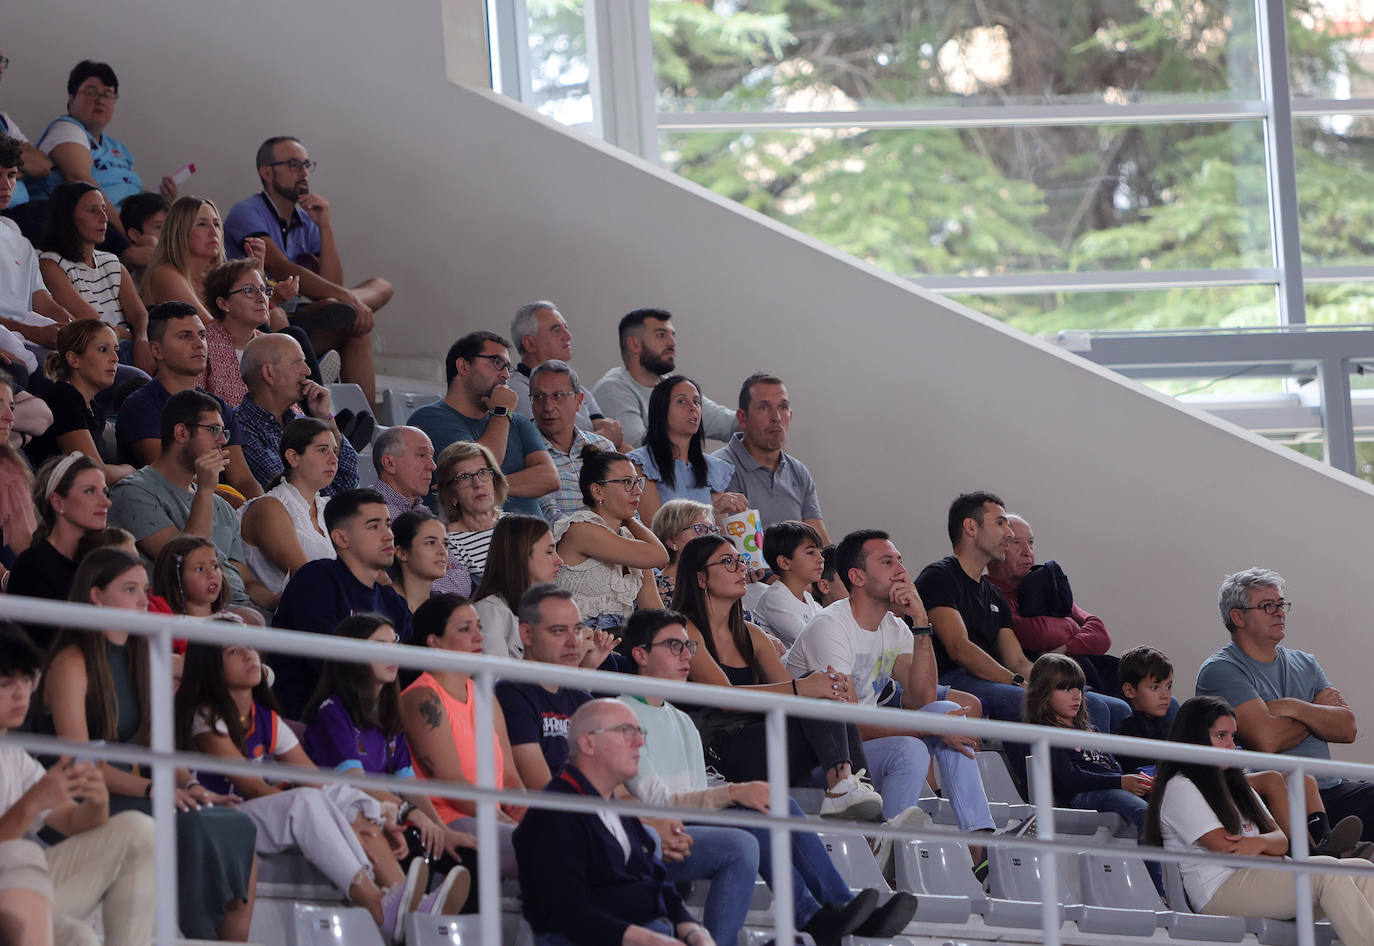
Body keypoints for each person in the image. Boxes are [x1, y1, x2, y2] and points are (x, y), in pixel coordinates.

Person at [622, 610, 918, 945]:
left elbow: (695, 792)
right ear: (640, 654)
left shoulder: (681, 721)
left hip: (691, 821)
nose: (686, 655)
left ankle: (840, 906)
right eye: (673, 645)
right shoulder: (622, 712)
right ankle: (812, 916)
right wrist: (733, 793)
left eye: (688, 646)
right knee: (755, 825)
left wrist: (733, 797)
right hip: (655, 832)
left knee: (780, 803)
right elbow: (653, 800)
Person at [43, 549, 259, 941]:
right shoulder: (71, 662)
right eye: (130, 590)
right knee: (193, 826)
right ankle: (195, 933)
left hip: (141, 790)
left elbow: (157, 744)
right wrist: (155, 789)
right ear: (96, 596)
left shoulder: (143, 653)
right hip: (84, 798)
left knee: (237, 823)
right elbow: (79, 761)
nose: (144, 601)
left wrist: (191, 786)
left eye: (145, 589)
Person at [175, 640, 429, 944]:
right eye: (233, 651)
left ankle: (404, 902)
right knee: (306, 802)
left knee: (351, 799)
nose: (248, 654)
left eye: (250, 648)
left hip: (255, 816)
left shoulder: (266, 717)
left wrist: (374, 813)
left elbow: (315, 779)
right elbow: (253, 788)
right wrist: (331, 811)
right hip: (223, 816)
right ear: (211, 666)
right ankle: (376, 902)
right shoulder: (205, 715)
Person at [784, 528, 995, 869]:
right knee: (913, 743)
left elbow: (922, 700)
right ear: (857, 576)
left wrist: (922, 622)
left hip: (862, 752)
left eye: (899, 559)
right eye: (886, 561)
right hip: (821, 758)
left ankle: (980, 846)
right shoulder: (831, 626)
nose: (900, 569)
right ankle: (892, 854)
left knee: (946, 709)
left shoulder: (894, 628)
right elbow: (847, 724)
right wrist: (927, 726)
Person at [673, 534, 882, 820]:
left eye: (739, 560)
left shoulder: (752, 634)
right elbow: (723, 699)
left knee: (819, 689)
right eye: (727, 562)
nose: (740, 568)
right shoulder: (684, 629)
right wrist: (804, 686)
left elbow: (793, 695)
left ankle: (852, 795)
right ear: (700, 578)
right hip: (718, 748)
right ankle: (846, 793)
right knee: (811, 686)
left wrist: (821, 685)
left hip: (759, 737)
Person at [1146, 695, 1374, 943]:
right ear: (1194, 737)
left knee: (1363, 870)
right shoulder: (1181, 786)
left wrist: (1260, 845)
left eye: (1232, 737)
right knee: (1326, 871)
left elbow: (1280, 840)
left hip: (1265, 874)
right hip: (1220, 890)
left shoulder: (1236, 783)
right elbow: (1227, 849)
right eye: (1221, 736)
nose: (1231, 746)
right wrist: (1268, 848)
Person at [302, 613, 476, 915]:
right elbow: (357, 781)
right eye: (379, 645)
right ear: (353, 656)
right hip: (357, 821)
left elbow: (407, 781)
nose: (392, 651)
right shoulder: (331, 712)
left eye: (394, 642)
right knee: (423, 850)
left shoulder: (387, 712)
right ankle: (411, 922)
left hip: (392, 817)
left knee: (466, 855)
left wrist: (438, 826)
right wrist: (413, 815)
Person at [916, 491, 1129, 734]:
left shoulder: (993, 594)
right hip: (951, 679)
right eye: (999, 524)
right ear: (971, 527)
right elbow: (959, 649)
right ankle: (1064, 772)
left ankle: (1107, 772)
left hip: (989, 678)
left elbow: (1018, 661)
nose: (1008, 534)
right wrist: (1018, 683)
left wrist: (1059, 684)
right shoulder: (940, 577)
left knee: (1106, 707)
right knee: (1028, 701)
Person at [1118, 646, 1361, 858]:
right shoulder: (1129, 731)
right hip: (1199, 782)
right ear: (1130, 691)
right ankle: (1307, 854)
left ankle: (1324, 840)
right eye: (1155, 687)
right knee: (1271, 778)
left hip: (1215, 775)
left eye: (1168, 686)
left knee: (1303, 777)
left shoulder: (1177, 724)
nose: (1165, 694)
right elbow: (1147, 774)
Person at [0, 622, 158, 946]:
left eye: (27, 679)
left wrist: (97, 801)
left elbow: (74, 822)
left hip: (21, 888)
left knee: (140, 830)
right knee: (78, 936)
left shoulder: (13, 755)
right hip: (11, 889)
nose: (20, 693)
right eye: (5, 683)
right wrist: (31, 803)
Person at [513, 698, 717, 946]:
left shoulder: (618, 809)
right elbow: (568, 912)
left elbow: (656, 881)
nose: (640, 742)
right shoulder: (554, 813)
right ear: (588, 743)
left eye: (639, 732)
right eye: (625, 732)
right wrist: (648, 940)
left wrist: (693, 930)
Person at [1196, 567, 1374, 840]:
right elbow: (1267, 740)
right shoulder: (1221, 670)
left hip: (1331, 788)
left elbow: (1346, 729)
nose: (1279, 612)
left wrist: (1295, 706)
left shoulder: (1306, 662)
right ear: (1238, 617)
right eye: (1267, 606)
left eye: (1281, 605)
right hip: (1275, 799)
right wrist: (1317, 712)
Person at [223, 136, 389, 403]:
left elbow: (332, 284)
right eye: (293, 164)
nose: (303, 172)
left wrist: (325, 227)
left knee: (378, 292)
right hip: (270, 317)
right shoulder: (246, 212)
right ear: (267, 172)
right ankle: (316, 352)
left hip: (311, 311)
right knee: (342, 305)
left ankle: (364, 428)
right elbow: (280, 267)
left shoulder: (307, 220)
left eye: (305, 165)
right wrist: (345, 298)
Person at [107, 389, 269, 617]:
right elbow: (185, 564)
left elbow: (244, 580)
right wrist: (204, 488)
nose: (223, 441)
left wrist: (282, 600)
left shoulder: (221, 506)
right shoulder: (132, 493)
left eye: (224, 432)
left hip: (244, 610)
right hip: (193, 618)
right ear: (181, 433)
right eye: (213, 430)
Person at [401, 594, 524, 879]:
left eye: (479, 627)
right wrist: (510, 824)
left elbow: (510, 780)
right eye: (465, 629)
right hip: (451, 821)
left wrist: (525, 816)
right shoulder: (423, 697)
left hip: (494, 819)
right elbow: (452, 785)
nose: (478, 637)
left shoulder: (485, 696)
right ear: (434, 642)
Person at [271, 488, 414, 717]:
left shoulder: (393, 602)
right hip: (309, 723)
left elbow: (408, 674)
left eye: (387, 524)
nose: (388, 535)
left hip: (373, 727)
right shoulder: (316, 580)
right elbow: (331, 669)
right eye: (374, 526)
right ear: (341, 538)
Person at [114, 301, 262, 500]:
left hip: (222, 508)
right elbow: (171, 478)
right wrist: (234, 507)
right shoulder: (140, 406)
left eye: (202, 335)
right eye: (185, 336)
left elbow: (243, 480)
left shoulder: (218, 407)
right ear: (157, 351)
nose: (199, 343)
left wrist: (259, 508)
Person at [30, 61, 177, 253]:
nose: (100, 100)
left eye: (108, 94)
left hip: (131, 230)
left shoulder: (118, 148)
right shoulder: (66, 129)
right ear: (71, 97)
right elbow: (78, 178)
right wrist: (126, 234)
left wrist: (162, 200)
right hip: (96, 231)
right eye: (91, 92)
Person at [409, 331, 557, 519]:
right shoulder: (429, 418)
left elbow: (549, 478)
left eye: (508, 368)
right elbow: (473, 468)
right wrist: (501, 412)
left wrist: (489, 485)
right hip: (473, 542)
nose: (505, 375)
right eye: (497, 363)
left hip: (536, 540)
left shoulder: (517, 421)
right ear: (463, 366)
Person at [985, 512, 1120, 699]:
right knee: (1110, 707)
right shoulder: (990, 592)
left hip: (1079, 673)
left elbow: (1101, 634)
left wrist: (1064, 647)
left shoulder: (1043, 584)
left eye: (1031, 543)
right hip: (1043, 681)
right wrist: (1072, 626)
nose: (1027, 552)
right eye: (1017, 542)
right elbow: (1036, 634)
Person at [1027, 653, 1153, 845]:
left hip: (1108, 788)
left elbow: (1113, 767)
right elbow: (1071, 779)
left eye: (1078, 688)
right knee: (1145, 814)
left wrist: (1137, 782)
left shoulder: (1090, 730)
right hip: (1083, 795)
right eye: (1065, 689)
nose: (1076, 695)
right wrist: (1121, 782)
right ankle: (1155, 876)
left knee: (1169, 805)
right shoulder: (1046, 733)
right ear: (1042, 693)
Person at [36, 180, 152, 375]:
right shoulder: (51, 263)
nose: (104, 218)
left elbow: (139, 314)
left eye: (104, 209)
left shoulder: (112, 262)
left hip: (127, 344)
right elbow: (91, 320)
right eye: (92, 211)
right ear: (68, 217)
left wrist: (141, 339)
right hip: (95, 350)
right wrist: (126, 337)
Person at [552, 447, 668, 629]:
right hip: (580, 640)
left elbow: (652, 607)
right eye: (627, 482)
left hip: (620, 641)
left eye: (637, 482)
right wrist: (631, 519)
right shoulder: (581, 530)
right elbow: (660, 556)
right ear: (597, 492)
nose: (637, 491)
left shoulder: (629, 537)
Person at [496, 585, 596, 789]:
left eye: (577, 629)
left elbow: (616, 789)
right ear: (526, 634)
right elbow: (542, 790)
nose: (573, 642)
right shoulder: (509, 696)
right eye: (559, 631)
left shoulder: (583, 699)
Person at [592, 308, 736, 447]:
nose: (672, 343)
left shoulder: (670, 384)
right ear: (635, 344)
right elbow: (638, 453)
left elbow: (726, 423)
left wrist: (752, 416)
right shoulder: (612, 389)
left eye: (672, 335)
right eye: (661, 335)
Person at [237, 333, 358, 496]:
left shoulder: (301, 422)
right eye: (297, 363)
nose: (307, 371)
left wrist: (324, 418)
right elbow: (290, 491)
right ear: (269, 374)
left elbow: (349, 481)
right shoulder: (241, 428)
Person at [712, 372, 828, 540]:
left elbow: (820, 541)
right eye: (764, 408)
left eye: (783, 407)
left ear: (791, 415)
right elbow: (729, 551)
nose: (776, 418)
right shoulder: (718, 467)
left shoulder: (798, 471)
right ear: (742, 418)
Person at [7, 453, 108, 628]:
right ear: (58, 502)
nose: (106, 502)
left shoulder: (104, 560)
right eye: (90, 491)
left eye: (105, 492)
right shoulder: (31, 566)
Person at [23, 320, 133, 481]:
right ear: (74, 359)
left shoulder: (92, 407)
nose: (115, 358)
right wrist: (131, 471)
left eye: (116, 350)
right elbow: (95, 473)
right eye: (103, 350)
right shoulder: (63, 400)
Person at [238, 417, 337, 595]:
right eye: (323, 450)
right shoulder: (268, 507)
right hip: (278, 619)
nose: (333, 459)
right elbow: (306, 577)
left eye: (334, 451)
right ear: (293, 457)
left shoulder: (330, 507)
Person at [629, 375, 745, 525]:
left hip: (708, 548)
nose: (693, 408)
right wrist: (712, 510)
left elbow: (720, 536)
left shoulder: (712, 468)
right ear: (661, 410)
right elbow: (655, 530)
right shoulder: (642, 464)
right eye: (681, 401)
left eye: (696, 402)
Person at [509, 302, 626, 447]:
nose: (568, 336)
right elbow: (548, 445)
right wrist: (604, 438)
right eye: (556, 330)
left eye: (566, 328)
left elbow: (614, 436)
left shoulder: (579, 389)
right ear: (530, 344)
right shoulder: (516, 391)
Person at [373, 425, 471, 597]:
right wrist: (436, 573)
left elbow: (463, 577)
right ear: (390, 463)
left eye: (431, 456)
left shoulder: (424, 513)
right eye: (421, 455)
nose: (432, 466)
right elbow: (395, 579)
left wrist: (423, 574)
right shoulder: (370, 513)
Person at [198, 257, 307, 408]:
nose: (262, 298)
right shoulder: (202, 344)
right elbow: (193, 405)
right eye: (249, 290)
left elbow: (291, 409)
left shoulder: (271, 345)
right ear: (223, 303)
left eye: (263, 290)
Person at [0, 135, 70, 368]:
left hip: (31, 338)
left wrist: (77, 329)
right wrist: (31, 332)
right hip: (12, 346)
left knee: (130, 376)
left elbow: (44, 303)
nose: (6, 185)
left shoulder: (20, 243)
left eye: (11, 175)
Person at [527, 360, 616, 523]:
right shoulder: (525, 450)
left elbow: (625, 507)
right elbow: (553, 520)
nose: (548, 407)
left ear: (579, 400)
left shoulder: (603, 447)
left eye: (558, 396)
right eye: (539, 397)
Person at [471, 516, 564, 659]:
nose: (560, 561)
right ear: (521, 555)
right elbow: (495, 678)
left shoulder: (543, 608)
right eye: (549, 552)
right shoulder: (490, 611)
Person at [434, 440, 505, 581]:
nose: (478, 484)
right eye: (464, 477)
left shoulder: (517, 525)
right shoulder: (448, 545)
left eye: (483, 472)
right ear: (451, 494)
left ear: (494, 482)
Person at [753, 520, 825, 645]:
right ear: (784, 562)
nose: (821, 559)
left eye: (821, 552)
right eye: (811, 553)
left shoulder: (807, 598)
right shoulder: (775, 598)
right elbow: (811, 640)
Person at [649, 499, 717, 606]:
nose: (711, 536)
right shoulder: (665, 591)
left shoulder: (706, 579)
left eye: (712, 529)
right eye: (700, 529)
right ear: (672, 541)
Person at [152, 534, 235, 619]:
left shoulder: (231, 622)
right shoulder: (167, 625)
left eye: (215, 567)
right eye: (199, 569)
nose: (211, 574)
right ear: (176, 579)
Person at [389, 510, 451, 612]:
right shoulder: (380, 603)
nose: (442, 551)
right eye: (431, 543)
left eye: (445, 544)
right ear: (402, 553)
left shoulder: (444, 608)